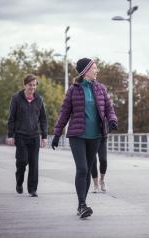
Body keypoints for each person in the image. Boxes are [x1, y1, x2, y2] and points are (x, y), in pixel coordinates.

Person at [51, 58, 118, 219]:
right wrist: (57, 133)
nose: (97, 70)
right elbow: (64, 113)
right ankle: (82, 205)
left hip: (95, 136)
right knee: (81, 169)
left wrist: (113, 120)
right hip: (77, 135)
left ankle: (83, 203)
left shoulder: (101, 88)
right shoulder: (73, 90)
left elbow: (109, 108)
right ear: (85, 71)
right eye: (94, 68)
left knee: (87, 170)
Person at [7, 74, 48, 197]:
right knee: (22, 161)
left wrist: (44, 136)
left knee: (34, 163)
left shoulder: (39, 99)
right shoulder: (16, 98)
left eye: (34, 85)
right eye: (30, 85)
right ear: (24, 85)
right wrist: (10, 135)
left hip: (34, 136)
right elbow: (11, 118)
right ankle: (19, 182)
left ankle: (32, 189)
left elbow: (43, 119)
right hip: (20, 135)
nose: (32, 87)